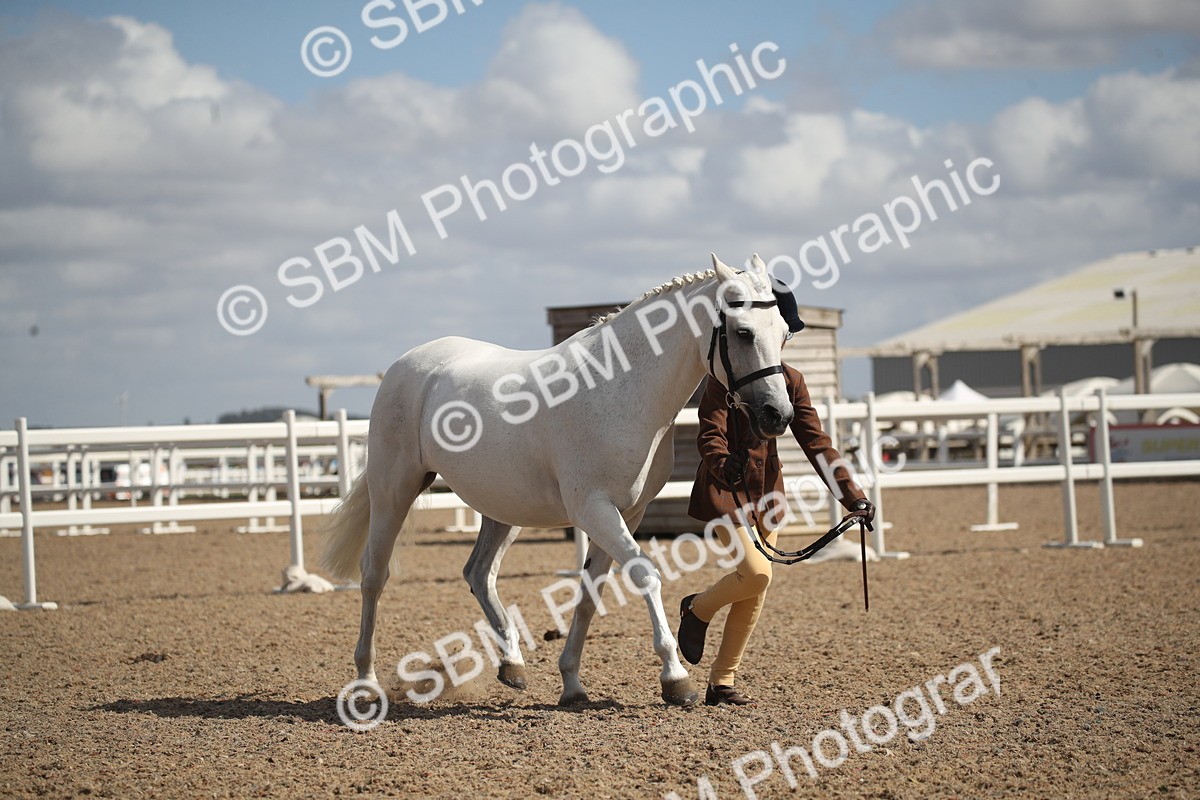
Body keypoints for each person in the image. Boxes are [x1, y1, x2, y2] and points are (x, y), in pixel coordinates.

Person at [678, 287, 875, 706]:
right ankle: (696, 609)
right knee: (757, 573)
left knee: (754, 591)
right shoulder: (722, 379)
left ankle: (722, 683)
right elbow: (709, 433)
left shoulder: (792, 382)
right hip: (724, 492)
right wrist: (722, 463)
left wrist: (852, 497)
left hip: (767, 498)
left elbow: (817, 444)